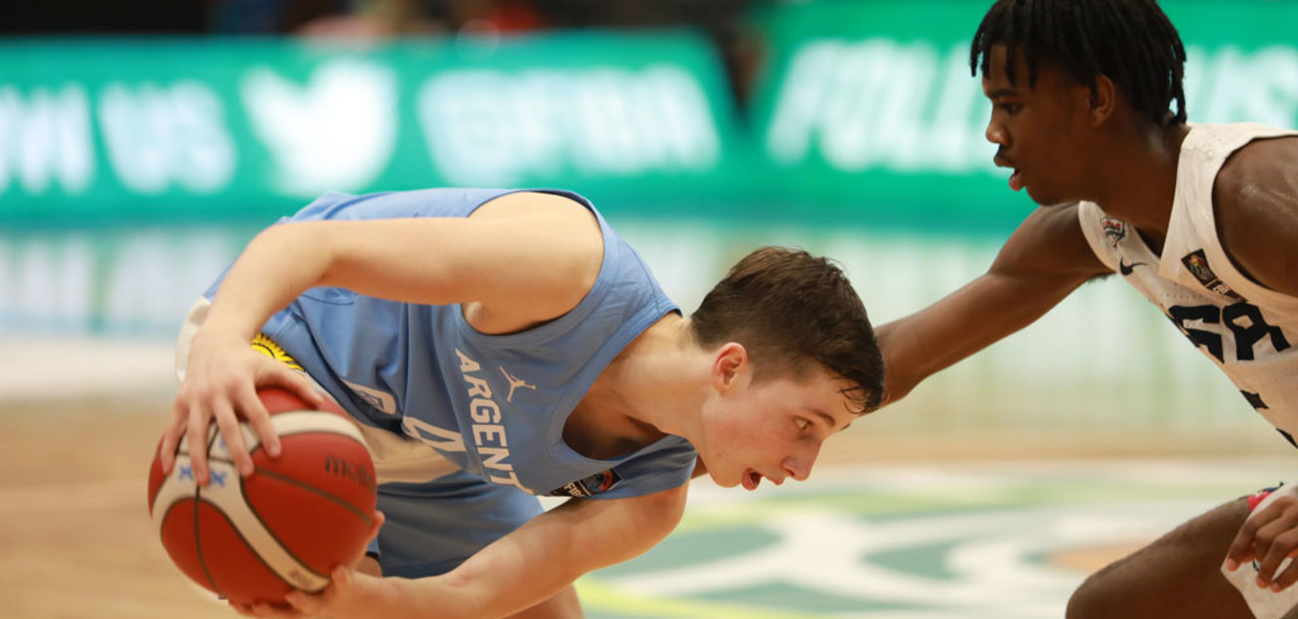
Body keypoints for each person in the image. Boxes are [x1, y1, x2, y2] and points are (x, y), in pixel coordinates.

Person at [158, 186, 884, 619]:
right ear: (730, 367)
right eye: (805, 424)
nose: (804, 464)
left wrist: (358, 600)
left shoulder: (651, 498)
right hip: (289, 337)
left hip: (427, 443)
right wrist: (223, 340)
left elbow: (471, 596)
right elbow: (308, 246)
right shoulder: (568, 271)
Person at [873, 0, 1298, 618]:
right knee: (1112, 609)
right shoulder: (1092, 229)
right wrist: (690, 430)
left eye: (1011, 105)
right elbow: (899, 356)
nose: (993, 132)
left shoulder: (1255, 200)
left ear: (1096, 100)